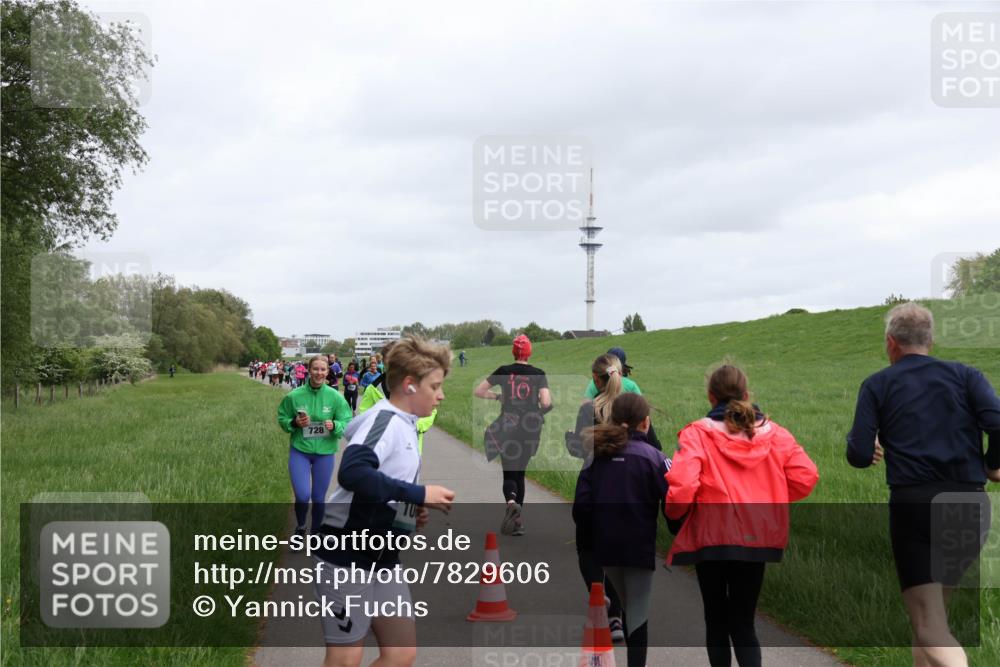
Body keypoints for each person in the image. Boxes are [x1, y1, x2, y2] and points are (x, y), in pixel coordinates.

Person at [846, 302, 1000, 667]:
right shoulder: (967, 376)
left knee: (929, 625)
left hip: (916, 505)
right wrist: (993, 466)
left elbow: (857, 454)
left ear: (890, 343)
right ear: (931, 340)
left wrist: (870, 449)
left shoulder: (878, 384)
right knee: (933, 619)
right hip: (970, 504)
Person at [313, 336, 455, 667]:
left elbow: (385, 485)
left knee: (400, 653)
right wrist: (419, 494)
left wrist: (407, 512)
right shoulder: (385, 421)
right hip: (345, 556)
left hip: (383, 557)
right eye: (434, 387)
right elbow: (352, 472)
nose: (441, 395)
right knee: (345, 658)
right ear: (409, 385)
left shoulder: (407, 426)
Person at [666, 364, 818, 667]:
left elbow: (682, 487)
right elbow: (806, 476)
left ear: (710, 397)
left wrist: (673, 515)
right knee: (744, 623)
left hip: (711, 538)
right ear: (747, 394)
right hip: (757, 537)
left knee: (717, 622)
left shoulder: (698, 433)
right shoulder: (776, 435)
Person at [573, 393, 670, 667]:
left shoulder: (595, 457)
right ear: (646, 423)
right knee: (637, 611)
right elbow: (674, 501)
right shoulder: (656, 458)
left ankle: (607, 616)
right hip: (639, 546)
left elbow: (581, 507)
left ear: (613, 420)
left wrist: (590, 538)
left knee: (625, 602)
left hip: (605, 546)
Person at [474, 334, 552, 536]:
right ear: (529, 352)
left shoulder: (504, 371)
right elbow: (546, 402)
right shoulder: (539, 373)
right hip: (530, 429)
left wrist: (499, 396)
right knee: (520, 474)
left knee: (509, 471)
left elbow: (479, 391)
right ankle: (517, 522)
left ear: (513, 351)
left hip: (507, 426)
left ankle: (511, 503)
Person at [277, 356, 353, 543]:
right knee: (302, 495)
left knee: (319, 498)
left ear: (328, 372)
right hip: (300, 451)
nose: (319, 373)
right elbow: (282, 418)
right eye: (315, 369)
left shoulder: (335, 397)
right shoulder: (294, 396)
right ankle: (301, 526)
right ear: (308, 370)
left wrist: (335, 425)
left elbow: (347, 421)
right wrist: (294, 422)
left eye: (323, 369)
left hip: (324, 454)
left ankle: (316, 532)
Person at [359, 342, 437, 455]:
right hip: (381, 452)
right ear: (384, 362)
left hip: (410, 451)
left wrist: (416, 425)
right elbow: (364, 414)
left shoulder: (418, 384)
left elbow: (431, 410)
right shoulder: (373, 389)